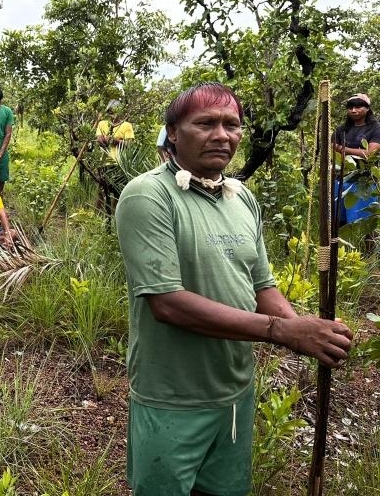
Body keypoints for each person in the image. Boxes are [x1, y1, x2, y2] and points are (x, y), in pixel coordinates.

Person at [115, 83, 353, 496]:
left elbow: (262, 284)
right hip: (171, 398)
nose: (221, 135)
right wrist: (281, 332)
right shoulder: (148, 196)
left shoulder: (241, 197)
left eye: (232, 125)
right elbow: (167, 303)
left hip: (235, 394)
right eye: (205, 123)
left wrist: (308, 333)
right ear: (173, 132)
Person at [333, 93, 380, 225]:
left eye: (358, 107)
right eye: (350, 107)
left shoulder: (376, 128)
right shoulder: (341, 130)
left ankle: (368, 246)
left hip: (365, 182)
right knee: (339, 223)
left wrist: (342, 149)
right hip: (341, 180)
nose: (353, 110)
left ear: (367, 108)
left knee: (366, 224)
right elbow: (331, 152)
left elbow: (369, 154)